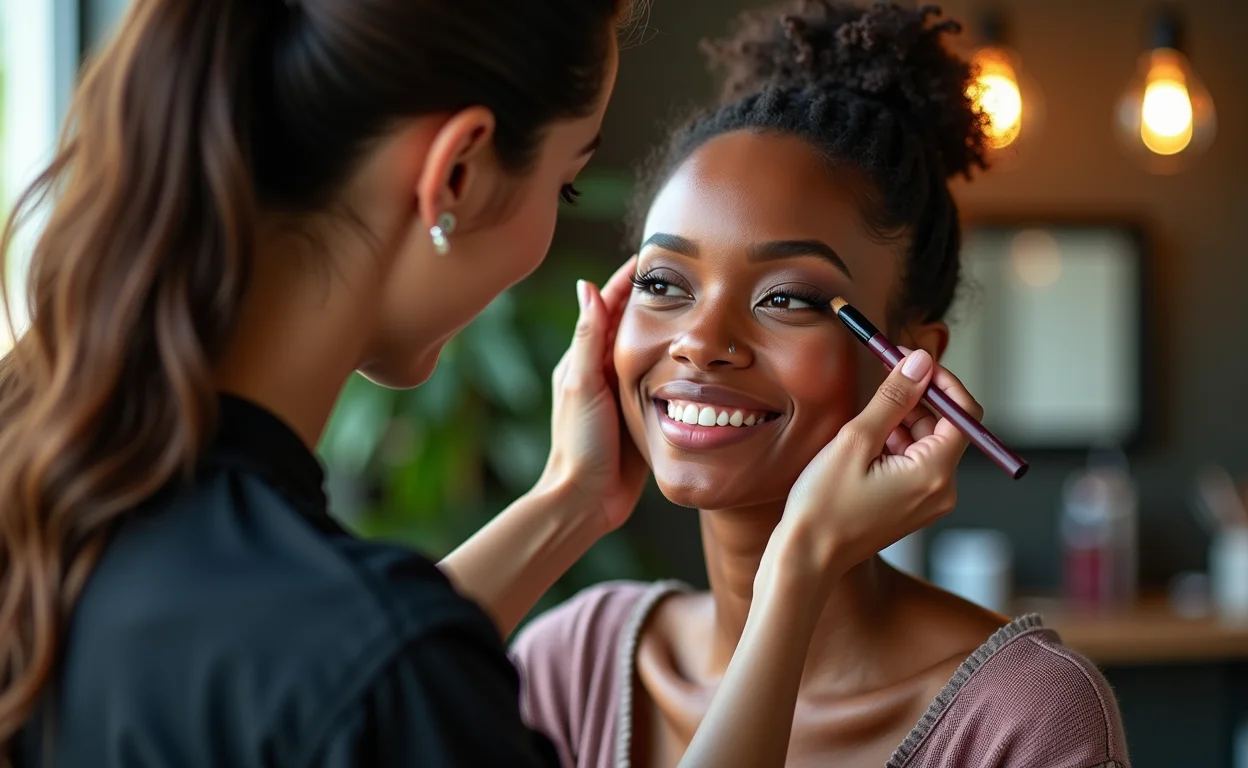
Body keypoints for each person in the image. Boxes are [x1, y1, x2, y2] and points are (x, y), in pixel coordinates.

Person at [0, 0, 992, 766]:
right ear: (460, 174)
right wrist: (800, 560)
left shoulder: (57, 497)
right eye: (566, 182)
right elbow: (359, 684)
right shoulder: (376, 659)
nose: (699, 338)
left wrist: (567, 502)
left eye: (785, 298)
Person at [513, 3, 1130, 767]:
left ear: (910, 365)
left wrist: (799, 563)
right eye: (665, 282)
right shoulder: (569, 666)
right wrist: (569, 494)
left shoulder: (1024, 719)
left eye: (786, 298)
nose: (699, 343)